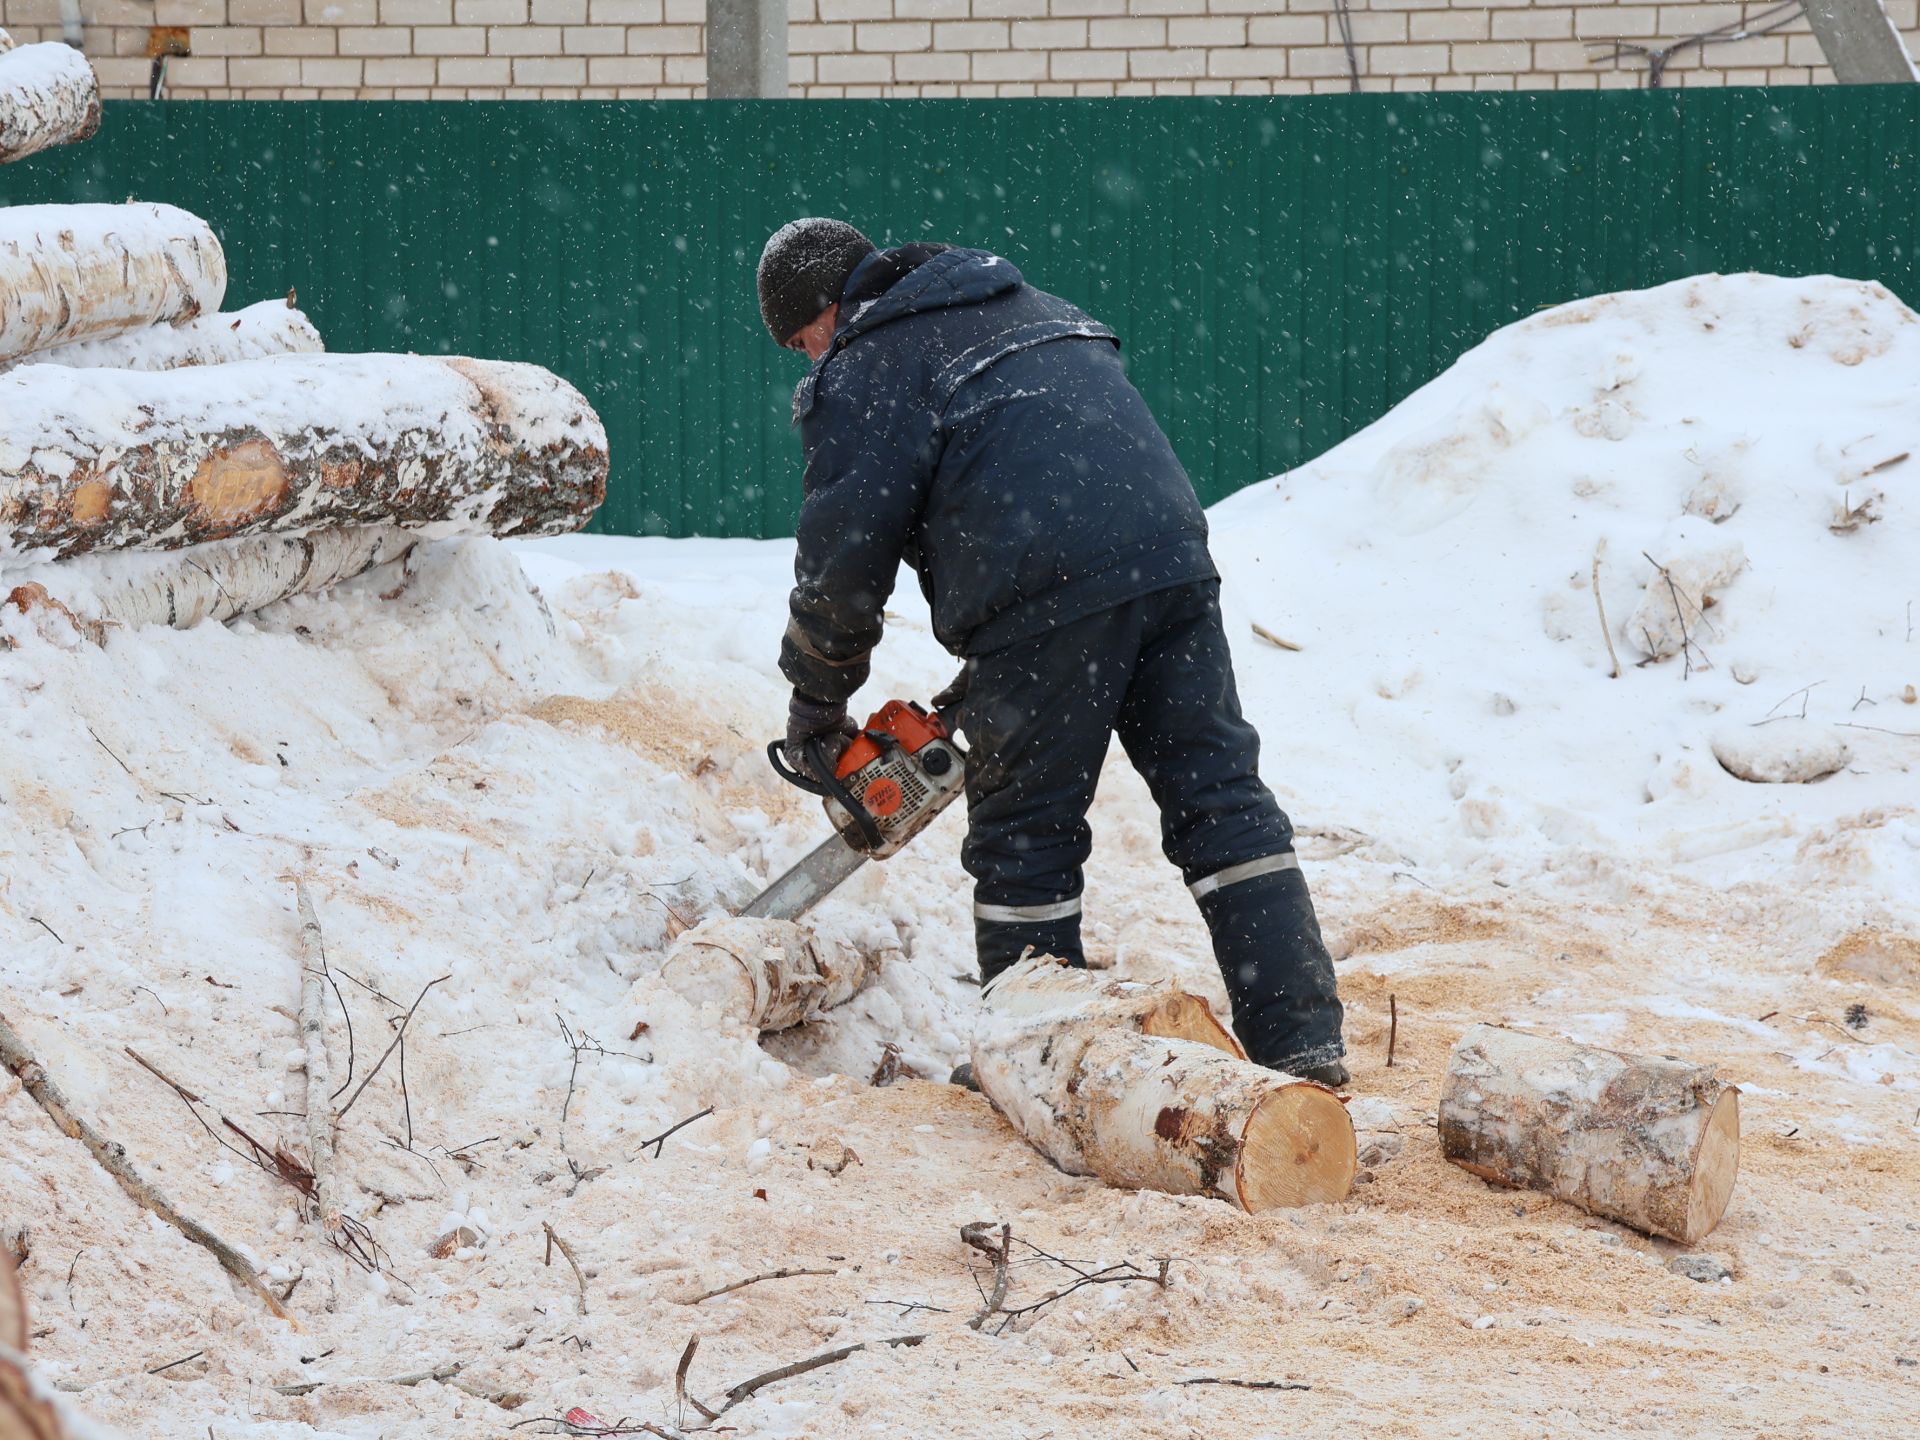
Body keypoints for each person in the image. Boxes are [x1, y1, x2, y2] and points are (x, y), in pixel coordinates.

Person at [756, 218, 1348, 1086]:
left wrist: (817, 705)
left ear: (824, 309)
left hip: (1049, 586)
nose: (813, 363)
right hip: (1171, 562)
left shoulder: (871, 363)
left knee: (1025, 832)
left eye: (804, 343)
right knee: (1218, 797)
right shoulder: (1027, 305)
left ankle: (1038, 1059)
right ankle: (1302, 1039)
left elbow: (842, 562)